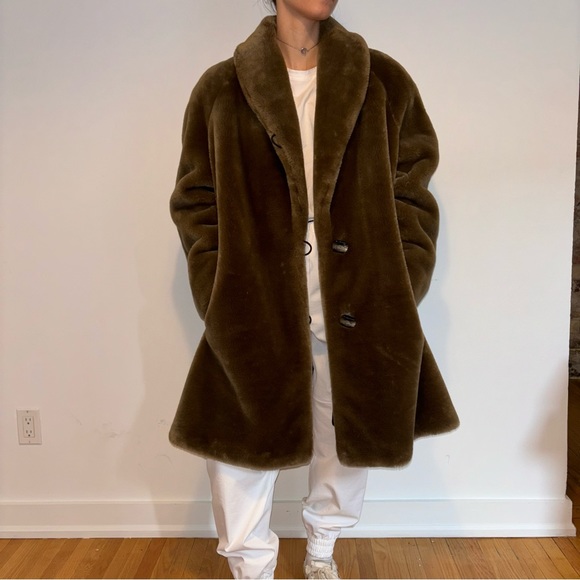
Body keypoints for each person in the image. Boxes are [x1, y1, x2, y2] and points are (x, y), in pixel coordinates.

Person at [169, 0, 459, 577]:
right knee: (241, 450)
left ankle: (322, 553)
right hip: (256, 300)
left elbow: (413, 190)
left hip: (358, 297)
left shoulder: (382, 80)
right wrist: (219, 291)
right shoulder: (222, 88)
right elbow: (196, 201)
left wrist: (400, 280)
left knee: (344, 434)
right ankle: (252, 568)